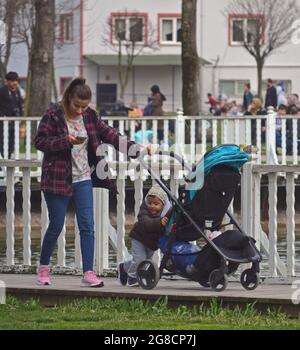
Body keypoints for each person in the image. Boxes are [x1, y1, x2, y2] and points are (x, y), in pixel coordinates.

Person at [34, 77, 152, 287]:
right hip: (57, 179)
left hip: (83, 177)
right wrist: (64, 141)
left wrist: (137, 149)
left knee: (87, 226)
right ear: (69, 98)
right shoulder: (53, 114)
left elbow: (111, 135)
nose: (80, 110)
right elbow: (40, 141)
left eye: (84, 106)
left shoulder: (90, 116)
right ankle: (43, 268)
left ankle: (88, 273)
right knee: (56, 225)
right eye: (77, 105)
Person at [118, 184, 172, 287]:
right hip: (139, 238)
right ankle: (132, 277)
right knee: (139, 259)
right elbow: (146, 223)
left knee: (144, 261)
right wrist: (159, 222)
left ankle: (124, 267)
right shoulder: (144, 212)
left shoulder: (166, 215)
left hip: (151, 243)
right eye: (150, 203)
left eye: (156, 204)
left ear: (163, 205)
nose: (152, 206)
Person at [0, 71, 24, 158]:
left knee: (11, 143)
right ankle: (2, 163)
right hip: (3, 123)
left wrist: (21, 118)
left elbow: (20, 105)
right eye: (13, 81)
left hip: (14, 122)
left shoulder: (17, 92)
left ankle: (8, 160)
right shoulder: (1, 91)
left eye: (16, 80)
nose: (15, 83)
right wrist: (3, 116)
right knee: (2, 142)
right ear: (7, 81)